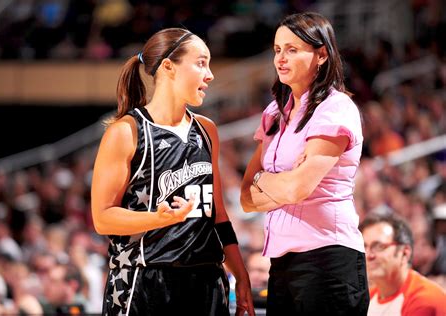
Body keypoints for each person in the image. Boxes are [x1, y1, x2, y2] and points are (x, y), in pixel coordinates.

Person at [91, 27, 254, 316]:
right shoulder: (126, 131)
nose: (210, 74)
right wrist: (157, 219)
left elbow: (218, 214)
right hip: (144, 280)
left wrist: (240, 275)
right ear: (169, 67)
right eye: (201, 62)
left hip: (207, 281)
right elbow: (103, 218)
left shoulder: (207, 131)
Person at [240, 12, 369, 315]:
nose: (281, 59)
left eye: (292, 49)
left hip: (329, 260)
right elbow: (245, 197)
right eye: (277, 50)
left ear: (321, 54)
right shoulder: (274, 112)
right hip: (282, 264)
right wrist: (273, 181)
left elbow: (298, 187)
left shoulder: (336, 108)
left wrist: (264, 179)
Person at [360, 213, 446, 315]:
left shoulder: (424, 299)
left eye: (379, 246)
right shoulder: (370, 297)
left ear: (405, 253)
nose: (369, 255)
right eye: (364, 246)